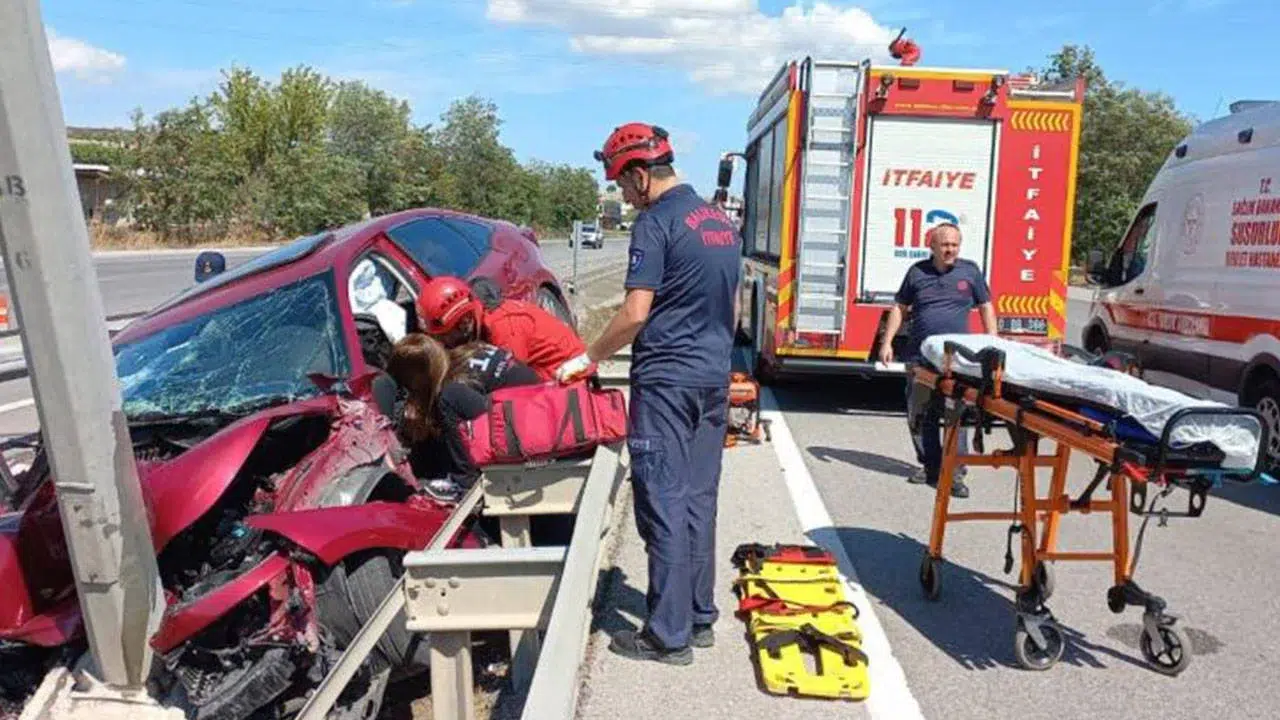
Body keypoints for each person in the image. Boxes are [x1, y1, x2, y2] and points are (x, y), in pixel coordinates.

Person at [557, 122, 741, 666]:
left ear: (641, 174)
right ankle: (699, 615)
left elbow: (636, 313)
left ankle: (667, 634)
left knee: (662, 500)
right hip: (712, 378)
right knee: (699, 499)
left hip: (666, 383)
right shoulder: (717, 221)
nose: (623, 197)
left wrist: (587, 357)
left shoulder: (657, 223)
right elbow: (730, 310)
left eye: (622, 184)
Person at [878, 222, 997, 499]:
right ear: (932, 246)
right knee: (920, 412)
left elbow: (986, 306)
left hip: (957, 359)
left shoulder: (970, 272)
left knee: (958, 413)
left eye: (955, 245)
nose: (950, 250)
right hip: (920, 355)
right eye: (945, 245)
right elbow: (900, 308)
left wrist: (993, 339)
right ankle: (930, 466)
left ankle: (955, 474)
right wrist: (887, 343)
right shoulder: (917, 272)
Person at [387, 333, 541, 500]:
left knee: (448, 401)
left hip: (529, 428)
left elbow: (482, 425)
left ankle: (464, 484)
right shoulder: (468, 351)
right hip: (539, 404)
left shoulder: (458, 383)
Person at [415, 275, 586, 382]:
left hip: (568, 378)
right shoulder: (480, 320)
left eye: (444, 336)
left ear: (464, 322)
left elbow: (513, 383)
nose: (442, 342)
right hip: (542, 373)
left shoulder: (503, 329)